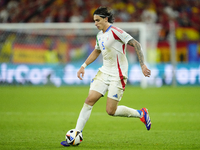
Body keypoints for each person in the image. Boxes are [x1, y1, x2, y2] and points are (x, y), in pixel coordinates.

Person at [61, 6, 151, 146]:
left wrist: (143, 65)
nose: (95, 23)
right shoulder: (99, 35)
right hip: (104, 72)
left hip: (118, 75)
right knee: (89, 100)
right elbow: (96, 51)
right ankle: (77, 133)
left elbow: (136, 44)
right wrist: (83, 66)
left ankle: (141, 114)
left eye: (97, 20)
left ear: (105, 19)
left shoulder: (116, 32)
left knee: (111, 111)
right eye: (94, 21)